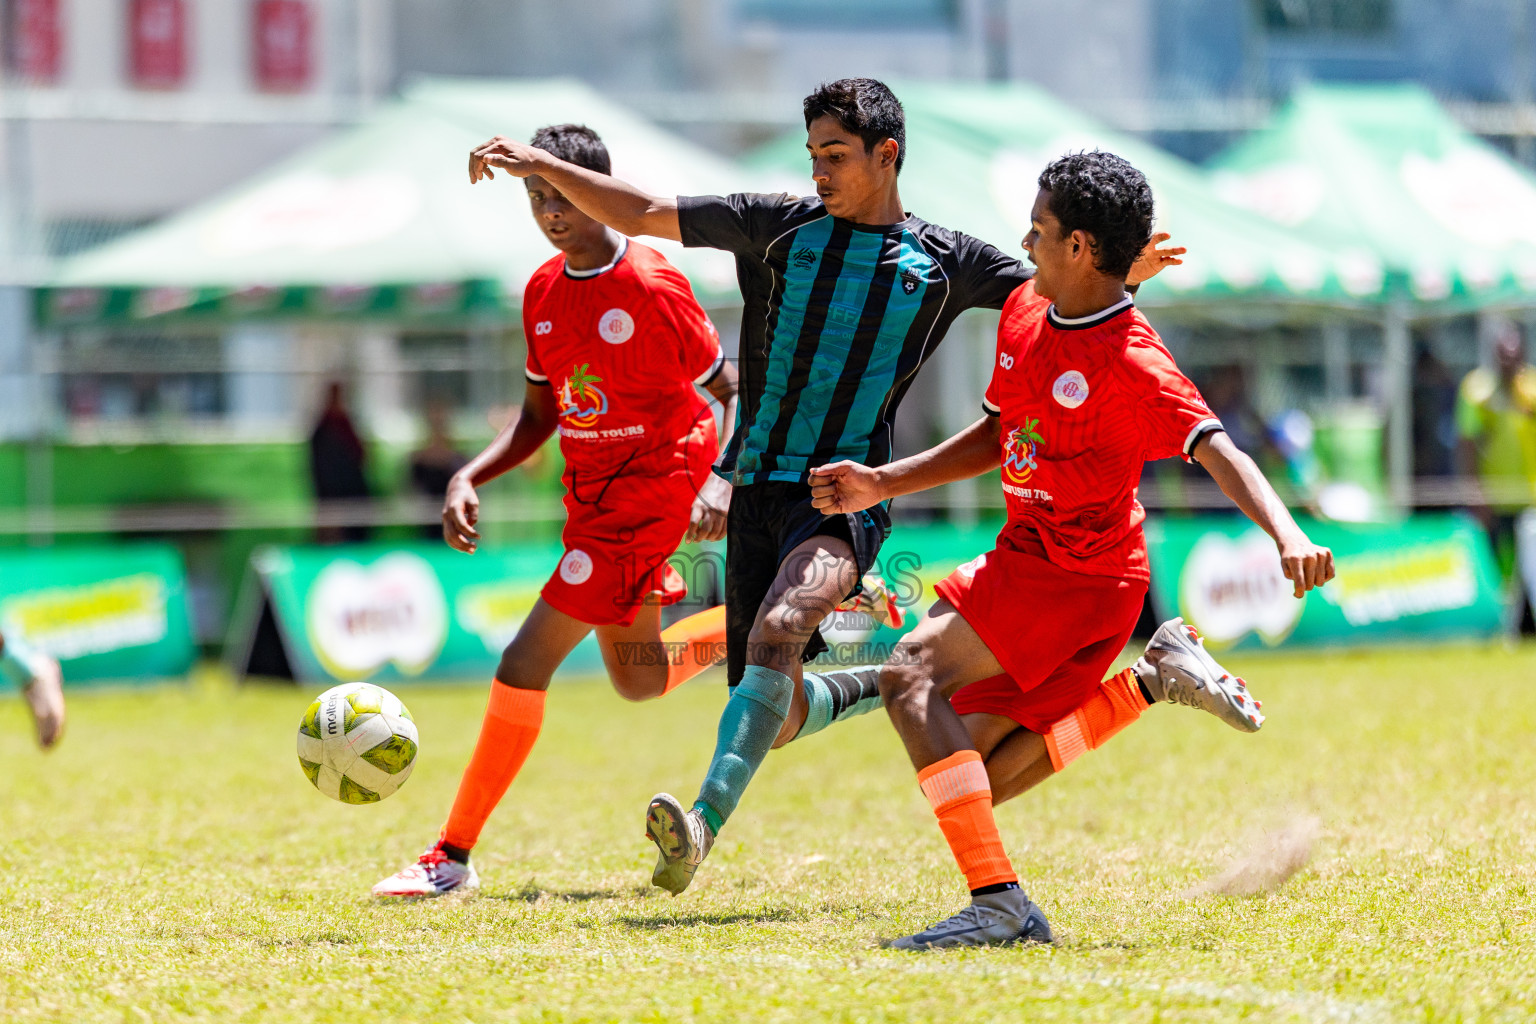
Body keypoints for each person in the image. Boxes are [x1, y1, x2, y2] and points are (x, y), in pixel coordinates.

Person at [468, 78, 1185, 896]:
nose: (818, 171)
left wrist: (1129, 273)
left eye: (835, 155)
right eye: (812, 154)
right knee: (773, 714)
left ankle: (699, 824)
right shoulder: (775, 227)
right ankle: (862, 679)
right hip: (756, 492)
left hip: (846, 498)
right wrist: (542, 165)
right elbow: (638, 212)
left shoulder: (948, 262)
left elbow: (1067, 289)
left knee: (780, 625)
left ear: (887, 155)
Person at [808, 151, 1334, 949]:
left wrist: (1287, 531)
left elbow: (1220, 448)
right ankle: (1148, 683)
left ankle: (998, 904)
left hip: (1079, 578)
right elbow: (999, 432)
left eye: (1041, 228)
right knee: (971, 776)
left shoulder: (1135, 359)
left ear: (1082, 249)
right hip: (1037, 560)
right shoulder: (1025, 309)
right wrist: (885, 481)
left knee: (908, 672)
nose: (1024, 238)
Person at [372, 124, 747, 897]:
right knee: (639, 679)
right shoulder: (543, 291)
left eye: (562, 193)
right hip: (595, 500)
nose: (549, 211)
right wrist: (468, 475)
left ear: (598, 190)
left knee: (523, 661)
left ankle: (451, 856)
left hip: (655, 488)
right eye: (536, 197)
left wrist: (724, 480)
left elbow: (731, 391)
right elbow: (539, 417)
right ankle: (754, 633)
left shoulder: (651, 282)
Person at [1457, 322, 1536, 605]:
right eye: (1503, 354)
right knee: (1498, 566)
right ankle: (1504, 622)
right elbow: (1467, 443)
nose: (1508, 360)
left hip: (1530, 496)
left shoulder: (1532, 388)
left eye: (1514, 354)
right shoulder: (1477, 390)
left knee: (1530, 566)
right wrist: (1474, 491)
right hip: (1494, 497)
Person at [308, 380, 372, 543]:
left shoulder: (347, 425)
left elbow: (362, 457)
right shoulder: (323, 430)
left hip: (353, 497)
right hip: (330, 499)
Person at [407, 398, 468, 540]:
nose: (437, 420)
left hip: (455, 525)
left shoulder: (458, 460)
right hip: (426, 527)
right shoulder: (417, 461)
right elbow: (411, 494)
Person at [0, 630, 65, 749]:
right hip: (27, 680)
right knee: (45, 722)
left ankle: (39, 672)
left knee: (49, 718)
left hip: (37, 673)